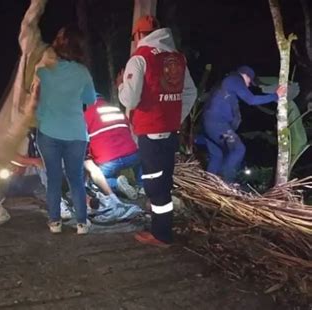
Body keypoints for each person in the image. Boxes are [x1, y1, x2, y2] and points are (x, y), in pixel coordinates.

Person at [117, 15, 197, 246]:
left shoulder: (139, 58)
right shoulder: (178, 58)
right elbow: (190, 92)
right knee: (164, 182)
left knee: (154, 184)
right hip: (170, 132)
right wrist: (174, 118)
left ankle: (161, 235)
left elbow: (130, 100)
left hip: (150, 133)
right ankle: (163, 227)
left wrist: (121, 84)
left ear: (140, 35)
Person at [29, 24, 96, 235]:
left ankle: (55, 222)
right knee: (76, 178)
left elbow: (32, 94)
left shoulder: (43, 70)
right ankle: (82, 224)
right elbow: (90, 100)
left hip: (48, 131)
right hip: (76, 133)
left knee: (54, 178)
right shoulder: (83, 72)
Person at [202, 66, 286, 182]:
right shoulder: (235, 79)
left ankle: (209, 184)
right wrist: (275, 96)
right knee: (238, 149)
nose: (248, 86)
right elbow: (251, 100)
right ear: (245, 75)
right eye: (249, 82)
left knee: (217, 156)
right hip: (218, 125)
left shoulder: (224, 83)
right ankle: (225, 182)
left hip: (208, 124)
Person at [84, 94, 143, 200]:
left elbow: (84, 143)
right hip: (131, 155)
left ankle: (117, 184)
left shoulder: (86, 116)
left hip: (108, 162)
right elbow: (129, 130)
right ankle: (142, 185)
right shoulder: (116, 110)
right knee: (141, 164)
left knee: (97, 180)